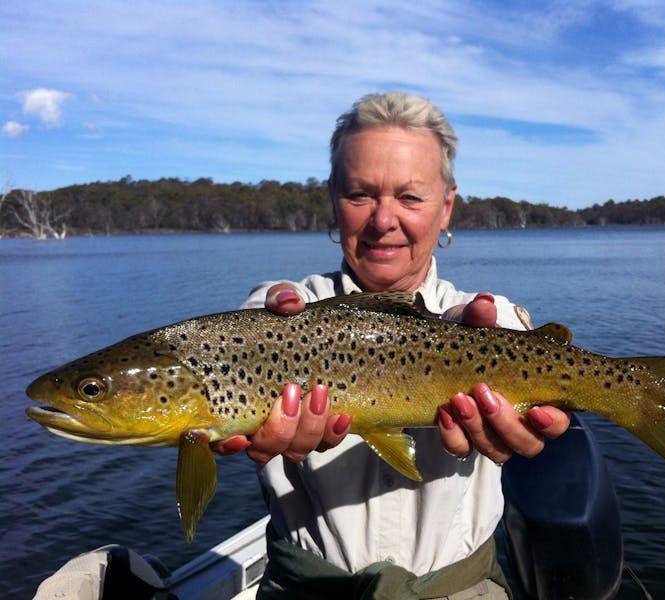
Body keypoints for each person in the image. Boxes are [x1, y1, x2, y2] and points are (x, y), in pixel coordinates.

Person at [215, 92, 570, 599]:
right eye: (360, 194)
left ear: (446, 208)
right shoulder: (283, 313)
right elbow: (248, 328)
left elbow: (509, 329)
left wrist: (466, 342)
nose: (383, 220)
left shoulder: (488, 318)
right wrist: (258, 330)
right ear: (332, 203)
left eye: (410, 197)